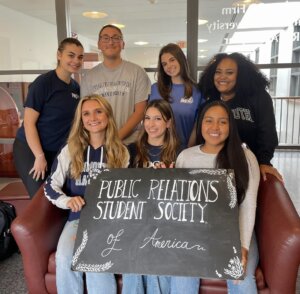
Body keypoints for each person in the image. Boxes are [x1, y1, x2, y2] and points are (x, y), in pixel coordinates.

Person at [44, 95, 129, 294]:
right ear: (81, 120)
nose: (93, 117)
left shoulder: (121, 152)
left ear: (108, 115)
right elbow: (50, 185)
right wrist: (67, 200)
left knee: (95, 257)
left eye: (99, 111)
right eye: (86, 113)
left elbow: (126, 191)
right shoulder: (70, 150)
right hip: (77, 220)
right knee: (64, 257)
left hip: (106, 221)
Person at [173, 101, 260, 294]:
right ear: (200, 124)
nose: (215, 127)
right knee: (181, 277)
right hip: (195, 233)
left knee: (241, 279)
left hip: (236, 232)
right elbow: (178, 204)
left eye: (222, 122)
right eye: (209, 121)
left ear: (231, 126)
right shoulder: (185, 157)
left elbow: (248, 205)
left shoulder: (246, 157)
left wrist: (243, 248)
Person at [189, 52, 282, 182]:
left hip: (248, 169)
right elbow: (200, 137)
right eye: (218, 72)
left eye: (229, 72)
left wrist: (264, 162)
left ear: (241, 75)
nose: (222, 77)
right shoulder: (210, 103)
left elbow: (267, 132)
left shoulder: (258, 97)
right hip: (215, 170)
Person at [13, 37, 84, 198]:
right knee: (41, 197)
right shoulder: (43, 83)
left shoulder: (76, 88)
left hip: (56, 151)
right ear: (59, 55)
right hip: (30, 149)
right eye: (71, 55)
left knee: (58, 194)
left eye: (80, 57)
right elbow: (29, 124)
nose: (75, 61)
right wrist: (39, 156)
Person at [122, 99, 179, 294]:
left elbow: (185, 199)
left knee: (154, 247)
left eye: (157, 118)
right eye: (147, 118)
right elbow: (122, 191)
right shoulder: (130, 152)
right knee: (135, 247)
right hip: (137, 218)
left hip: (166, 221)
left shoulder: (180, 154)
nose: (151, 124)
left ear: (168, 123)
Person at [80, 24, 151, 144]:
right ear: (99, 44)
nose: (111, 42)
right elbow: (86, 113)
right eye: (106, 38)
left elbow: (140, 111)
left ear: (123, 44)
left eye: (116, 38)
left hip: (131, 144)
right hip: (100, 144)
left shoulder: (137, 72)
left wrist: (115, 139)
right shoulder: (89, 77)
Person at [149, 43, 203, 150]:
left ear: (181, 59)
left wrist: (189, 149)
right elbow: (148, 121)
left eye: (172, 60)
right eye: (164, 64)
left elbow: (197, 126)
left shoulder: (197, 91)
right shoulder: (155, 89)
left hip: (184, 150)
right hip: (157, 150)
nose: (169, 66)